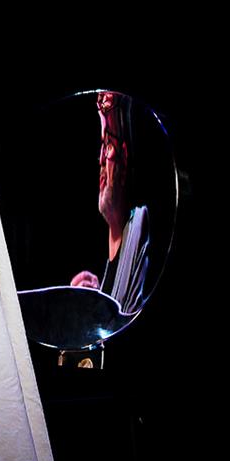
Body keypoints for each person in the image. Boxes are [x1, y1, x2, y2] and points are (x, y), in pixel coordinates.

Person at [68, 90, 150, 313]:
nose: (101, 163)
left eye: (109, 148)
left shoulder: (141, 224)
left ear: (125, 158)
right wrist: (86, 305)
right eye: (101, 152)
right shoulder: (110, 280)